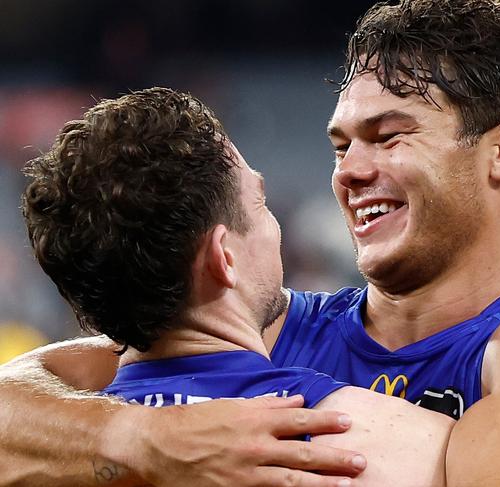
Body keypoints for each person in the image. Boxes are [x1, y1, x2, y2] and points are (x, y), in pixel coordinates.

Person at [0, 1, 500, 486]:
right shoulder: (254, 324)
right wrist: (144, 437)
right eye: (341, 145)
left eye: (388, 136)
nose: (349, 171)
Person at [13, 86, 453, 487]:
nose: (273, 224)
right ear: (224, 257)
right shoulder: (372, 441)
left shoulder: (36, 458)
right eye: (259, 203)